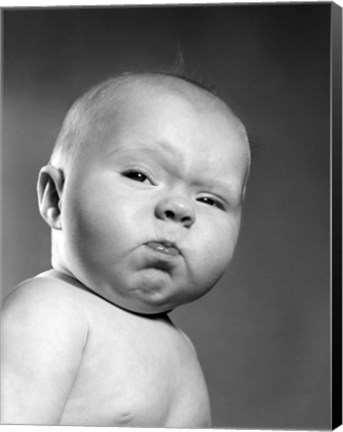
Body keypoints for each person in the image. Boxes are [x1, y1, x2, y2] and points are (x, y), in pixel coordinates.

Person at [1, 72, 250, 426]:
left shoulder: (180, 349)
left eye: (209, 199)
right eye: (139, 176)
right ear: (56, 198)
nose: (179, 208)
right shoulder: (48, 311)